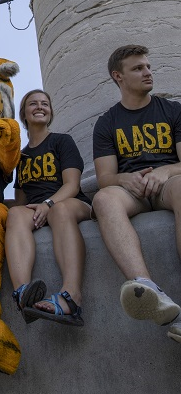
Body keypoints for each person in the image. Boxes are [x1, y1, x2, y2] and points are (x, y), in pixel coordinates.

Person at [92, 45, 181, 343]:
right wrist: (124, 179)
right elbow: (105, 179)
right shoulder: (106, 123)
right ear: (118, 76)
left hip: (168, 184)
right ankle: (150, 290)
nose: (148, 72)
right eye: (138, 68)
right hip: (134, 192)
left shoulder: (173, 110)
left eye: (148, 66)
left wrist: (164, 172)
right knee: (104, 199)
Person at [6, 89, 91, 326]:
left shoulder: (62, 141)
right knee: (14, 214)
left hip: (70, 203)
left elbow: (72, 185)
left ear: (51, 111)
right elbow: (21, 201)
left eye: (45, 103)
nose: (40, 107)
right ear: (24, 113)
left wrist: (48, 203)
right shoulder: (20, 157)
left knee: (60, 210)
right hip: (37, 208)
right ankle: (22, 292)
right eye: (33, 104)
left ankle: (71, 297)